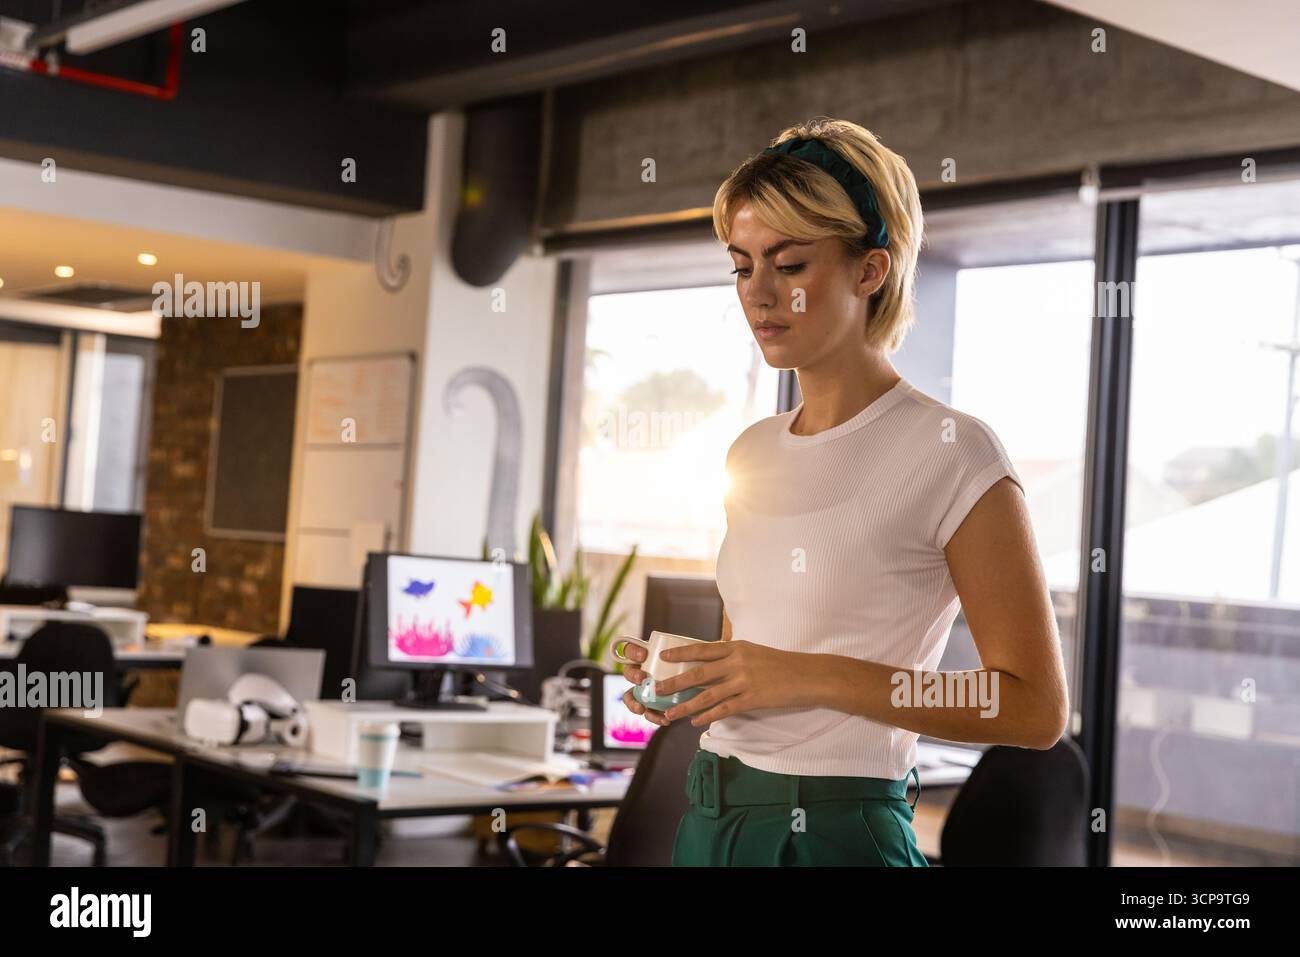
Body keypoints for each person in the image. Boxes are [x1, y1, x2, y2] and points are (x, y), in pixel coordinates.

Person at [620, 117, 1069, 867]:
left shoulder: (952, 451)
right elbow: (754, 660)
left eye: (790, 264)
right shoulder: (752, 451)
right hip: (708, 818)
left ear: (871, 271)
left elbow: (1033, 707)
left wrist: (808, 675)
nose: (759, 294)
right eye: (741, 265)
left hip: (833, 833)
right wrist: (694, 678)